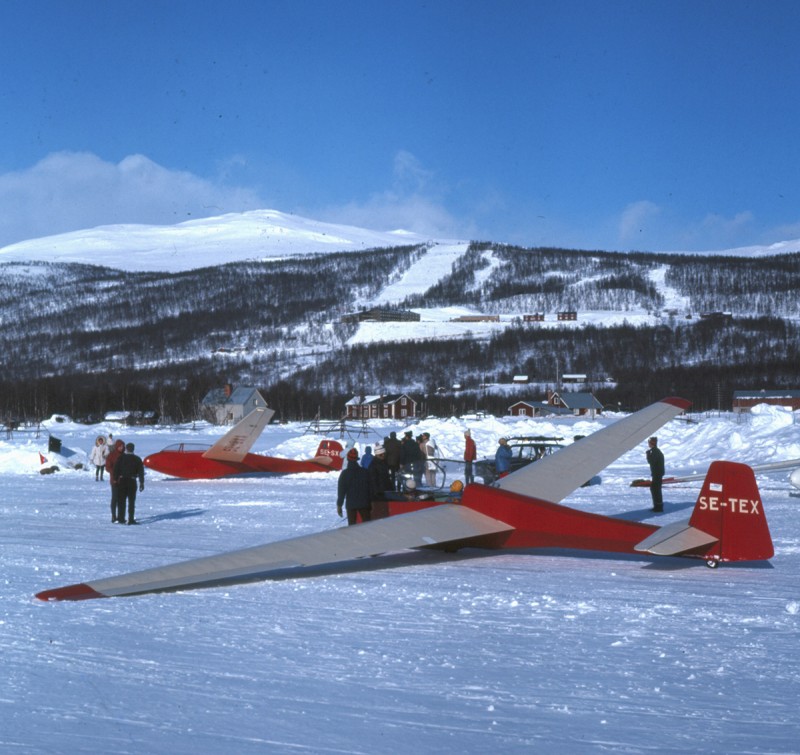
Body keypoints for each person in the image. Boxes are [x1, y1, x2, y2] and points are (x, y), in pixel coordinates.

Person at [336, 448, 372, 525]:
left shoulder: (345, 474)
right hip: (364, 503)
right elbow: (370, 488)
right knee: (368, 527)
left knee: (352, 528)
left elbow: (341, 492)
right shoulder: (364, 472)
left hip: (351, 505)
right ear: (356, 459)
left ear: (348, 459)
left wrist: (339, 505)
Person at [113, 442, 145, 525]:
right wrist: (141, 482)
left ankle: (121, 519)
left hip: (122, 481)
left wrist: (115, 480)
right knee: (131, 501)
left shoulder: (121, 458)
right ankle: (130, 519)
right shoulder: (137, 459)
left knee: (121, 501)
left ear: (126, 449)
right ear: (133, 449)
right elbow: (141, 472)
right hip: (132, 481)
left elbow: (116, 470)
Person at [105, 439, 125, 522]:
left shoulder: (125, 456)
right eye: (120, 446)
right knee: (115, 499)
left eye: (123, 446)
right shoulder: (111, 455)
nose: (122, 448)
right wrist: (115, 473)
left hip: (124, 481)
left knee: (122, 499)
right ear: (117, 447)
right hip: (114, 480)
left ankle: (121, 516)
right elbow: (107, 467)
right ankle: (113, 516)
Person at [646, 436, 665, 512]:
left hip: (657, 474)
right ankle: (658, 506)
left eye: (649, 443)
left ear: (652, 443)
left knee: (655, 490)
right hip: (657, 473)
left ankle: (658, 507)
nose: (648, 444)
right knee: (655, 489)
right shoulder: (656, 451)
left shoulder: (655, 452)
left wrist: (648, 455)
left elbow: (651, 462)